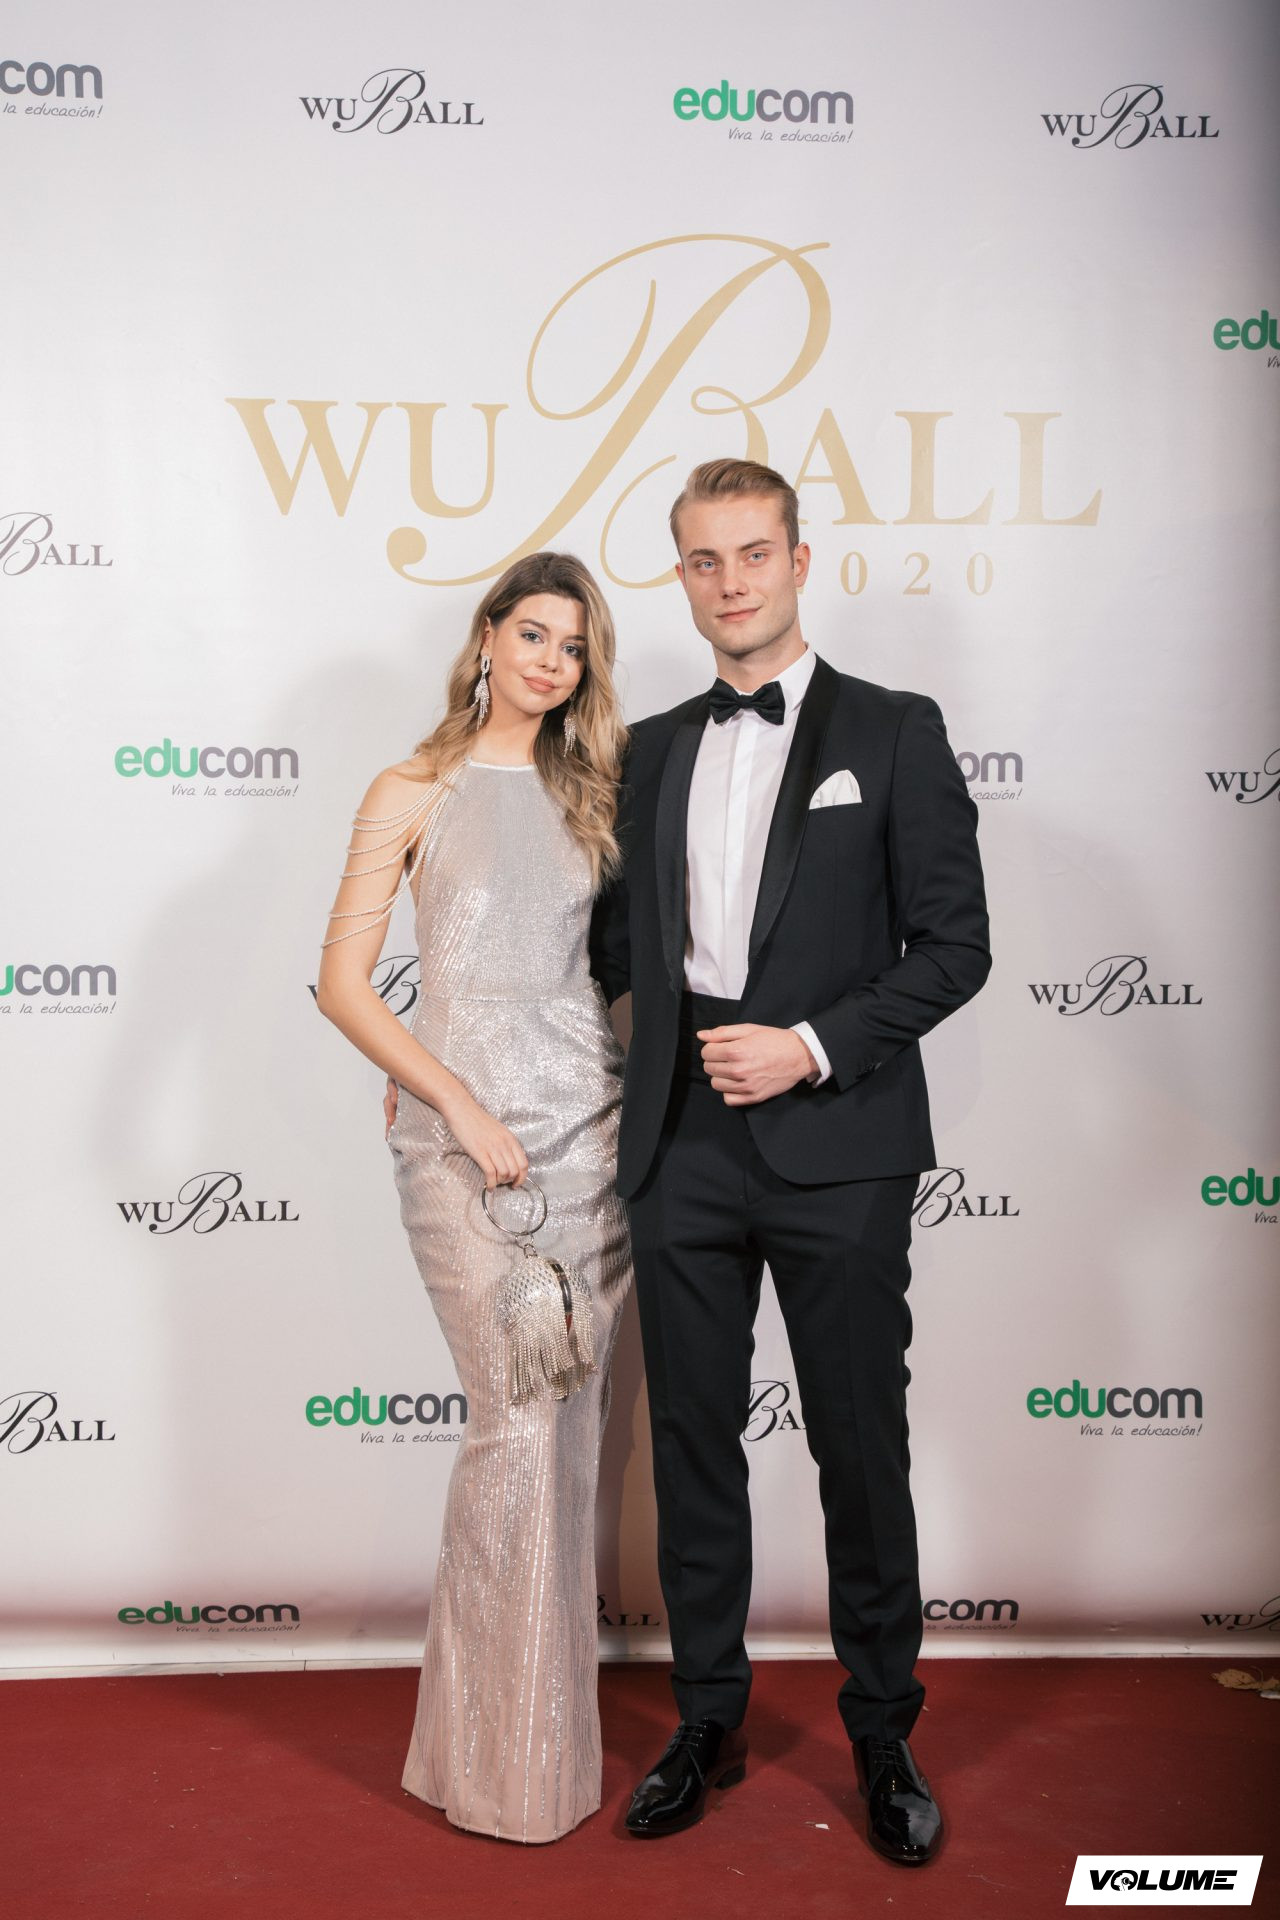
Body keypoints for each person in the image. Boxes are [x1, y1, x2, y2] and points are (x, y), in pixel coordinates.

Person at [589, 459, 990, 1866]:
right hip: (680, 1143)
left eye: (754, 552)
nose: (732, 581)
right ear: (680, 576)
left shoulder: (894, 729)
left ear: (801, 561)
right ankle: (707, 1719)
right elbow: (612, 948)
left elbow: (955, 948)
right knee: (693, 1442)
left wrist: (811, 1046)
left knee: (858, 1444)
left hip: (840, 1145)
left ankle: (883, 1730)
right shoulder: (646, 750)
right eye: (704, 559)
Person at [316, 552, 632, 1844]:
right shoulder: (410, 788)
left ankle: (526, 1750)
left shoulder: (596, 792)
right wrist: (447, 1097)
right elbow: (342, 986)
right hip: (462, 1140)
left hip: (587, 1137)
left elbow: (613, 971)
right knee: (513, 1421)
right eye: (535, 633)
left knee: (566, 1431)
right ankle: (501, 1764)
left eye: (576, 645)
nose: (553, 661)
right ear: (488, 635)